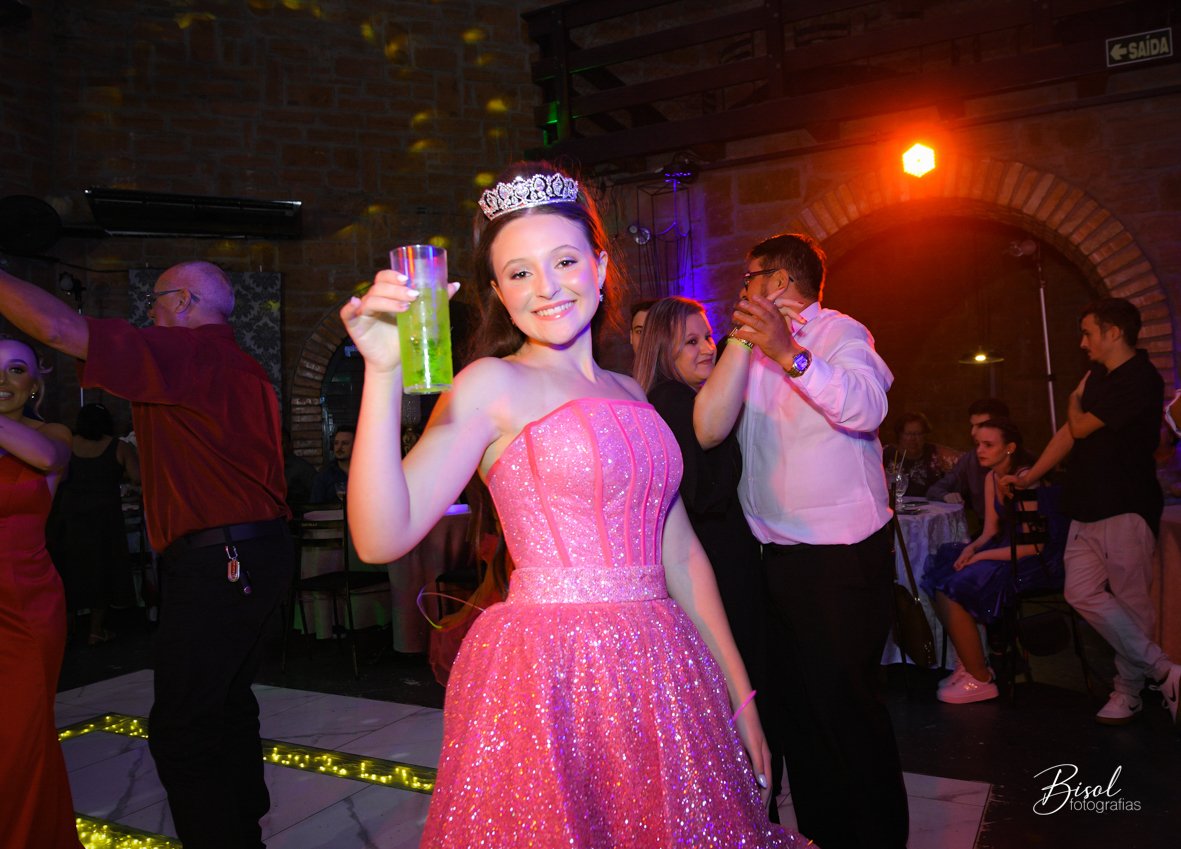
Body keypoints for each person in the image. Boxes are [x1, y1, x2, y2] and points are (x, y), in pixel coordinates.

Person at [342, 162, 804, 847]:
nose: (546, 286)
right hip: (548, 671)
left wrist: (740, 694)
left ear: (600, 265)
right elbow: (380, 536)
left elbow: (679, 551)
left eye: (563, 260)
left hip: (662, 667)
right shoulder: (490, 384)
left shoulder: (631, 390)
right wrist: (382, 373)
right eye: (519, 272)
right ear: (497, 292)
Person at [0, 261, 293, 848]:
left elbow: (58, 329)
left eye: (155, 303)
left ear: (182, 301)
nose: (149, 316)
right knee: (227, 705)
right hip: (261, 552)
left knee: (183, 728)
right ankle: (243, 833)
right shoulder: (247, 367)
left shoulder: (187, 353)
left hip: (219, 559)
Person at [694, 233, 907, 849]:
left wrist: (791, 353)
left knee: (846, 712)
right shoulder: (745, 349)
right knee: (800, 718)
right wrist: (747, 345)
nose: (740, 290)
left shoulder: (841, 332)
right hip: (773, 561)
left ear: (779, 281)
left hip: (839, 560)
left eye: (748, 278)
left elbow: (866, 408)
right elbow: (711, 430)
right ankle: (822, 837)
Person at [633, 296, 780, 821]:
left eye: (708, 336)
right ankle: (748, 818)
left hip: (717, 561)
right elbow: (705, 463)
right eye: (690, 341)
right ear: (663, 350)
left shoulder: (678, 395)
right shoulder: (671, 398)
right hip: (713, 565)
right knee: (735, 696)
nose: (706, 348)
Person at [1003, 297, 1179, 728]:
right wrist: (1030, 476)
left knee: (1133, 605)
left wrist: (1073, 399)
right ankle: (1164, 671)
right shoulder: (1097, 375)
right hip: (1085, 504)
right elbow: (1070, 433)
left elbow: (1078, 424)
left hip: (1125, 505)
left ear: (1113, 333)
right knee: (1080, 591)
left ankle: (1129, 693)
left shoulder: (1141, 378)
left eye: (1088, 333)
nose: (1083, 343)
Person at [0, 336, 81, 848]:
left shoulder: (50, 434)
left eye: (15, 369)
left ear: (35, 384)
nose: (1, 380)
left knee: (18, 738)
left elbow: (48, 458)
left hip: (24, 606)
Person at [922, 417, 1067, 703]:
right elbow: (990, 530)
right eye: (978, 444)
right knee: (942, 575)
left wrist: (980, 556)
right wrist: (971, 549)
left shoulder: (1027, 478)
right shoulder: (991, 477)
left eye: (988, 445)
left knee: (954, 587)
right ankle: (970, 660)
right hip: (1007, 547)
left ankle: (980, 679)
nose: (979, 450)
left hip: (1036, 559)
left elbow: (1033, 546)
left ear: (1010, 447)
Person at [52, 402, 140, 645]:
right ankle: (95, 631)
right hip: (104, 516)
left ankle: (66, 631)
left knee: (69, 570)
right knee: (103, 568)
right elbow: (138, 477)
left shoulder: (67, 444)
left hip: (71, 515)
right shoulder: (118, 446)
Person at [926, 397, 1011, 519]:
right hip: (986, 527)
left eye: (981, 426)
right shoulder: (971, 459)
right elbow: (935, 490)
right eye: (972, 426)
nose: (973, 432)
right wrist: (946, 496)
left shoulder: (1024, 460)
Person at [882, 412, 961, 498]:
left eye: (918, 433)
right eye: (907, 433)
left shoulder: (934, 453)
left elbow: (964, 462)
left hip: (931, 505)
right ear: (900, 435)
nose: (913, 438)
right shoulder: (886, 454)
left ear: (924, 435)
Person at [310, 424, 354, 503]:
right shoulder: (324, 477)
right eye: (336, 443)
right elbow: (316, 508)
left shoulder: (368, 474)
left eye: (345, 443)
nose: (339, 447)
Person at [281, 426, 318, 512]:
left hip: (298, 513)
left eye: (281, 443)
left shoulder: (301, 467)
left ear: (290, 445)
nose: (278, 447)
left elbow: (317, 491)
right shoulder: (270, 467)